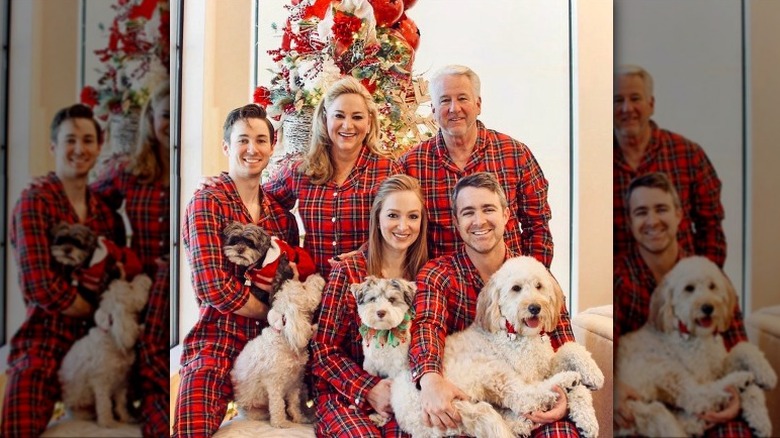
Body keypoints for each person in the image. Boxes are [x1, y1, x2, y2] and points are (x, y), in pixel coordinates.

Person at [408, 172, 578, 436]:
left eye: (488, 209)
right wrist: (430, 378)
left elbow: (564, 340)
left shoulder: (534, 274)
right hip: (473, 396)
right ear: (456, 221)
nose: (479, 221)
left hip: (534, 393)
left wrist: (566, 398)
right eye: (468, 212)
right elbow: (427, 325)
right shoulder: (438, 274)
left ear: (506, 215)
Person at [172, 104, 299, 437]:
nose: (252, 149)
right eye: (243, 140)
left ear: (273, 147)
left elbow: (287, 281)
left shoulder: (281, 218)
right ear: (227, 146)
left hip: (268, 344)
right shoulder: (207, 202)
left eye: (261, 140)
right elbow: (213, 287)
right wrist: (268, 314)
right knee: (190, 426)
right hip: (218, 336)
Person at [2, 104, 129, 436]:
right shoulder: (35, 201)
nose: (79, 149)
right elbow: (40, 286)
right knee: (20, 418)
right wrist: (94, 310)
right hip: (46, 334)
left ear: (99, 147)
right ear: (54, 146)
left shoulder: (105, 215)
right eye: (70, 140)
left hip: (99, 339)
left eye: (88, 140)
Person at [614, 172, 750, 436]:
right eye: (641, 212)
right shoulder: (619, 280)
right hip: (649, 399)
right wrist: (615, 386)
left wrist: (737, 397)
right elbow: (615, 357)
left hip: (707, 392)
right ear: (630, 222)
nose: (652, 221)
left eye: (661, 209)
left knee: (735, 430)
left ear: (679, 215)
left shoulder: (710, 277)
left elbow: (737, 346)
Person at [399, 64, 553, 267]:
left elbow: (537, 225)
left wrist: (532, 280)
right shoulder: (412, 165)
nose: (454, 108)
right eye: (445, 100)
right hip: (446, 288)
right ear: (434, 110)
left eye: (462, 98)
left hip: (508, 284)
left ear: (478, 104)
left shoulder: (515, 154)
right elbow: (398, 229)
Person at [310, 174, 428, 437]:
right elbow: (323, 349)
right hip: (345, 391)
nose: (403, 226)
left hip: (405, 391)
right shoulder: (350, 271)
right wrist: (368, 389)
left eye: (413, 216)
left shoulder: (425, 275)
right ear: (377, 217)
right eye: (393, 215)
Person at [89, 81, 171, 437]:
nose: (171, 122)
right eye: (165, 114)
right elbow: (89, 207)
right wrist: (115, 254)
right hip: (140, 282)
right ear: (151, 119)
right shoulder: (130, 169)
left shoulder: (197, 167)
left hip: (178, 285)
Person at [262, 75, 402, 278]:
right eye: (339, 116)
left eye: (357, 117)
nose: (347, 126)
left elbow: (404, 229)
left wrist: (367, 252)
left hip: (367, 291)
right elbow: (260, 201)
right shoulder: (302, 170)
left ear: (369, 122)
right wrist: (220, 186)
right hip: (314, 292)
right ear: (325, 118)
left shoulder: (388, 171)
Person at [614, 64, 726, 267]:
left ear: (651, 104)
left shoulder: (689, 154)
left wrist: (703, 278)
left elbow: (711, 228)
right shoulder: (597, 163)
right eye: (618, 100)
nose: (627, 108)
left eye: (635, 98)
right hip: (622, 290)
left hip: (680, 286)